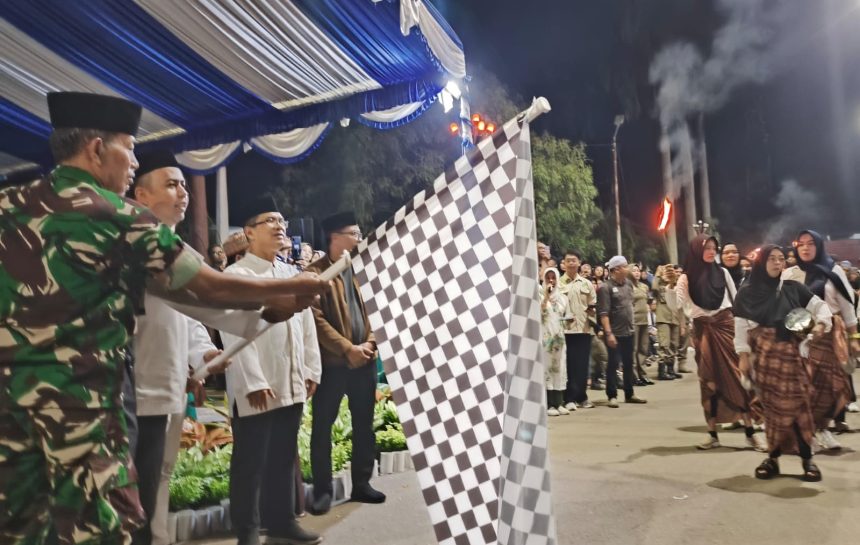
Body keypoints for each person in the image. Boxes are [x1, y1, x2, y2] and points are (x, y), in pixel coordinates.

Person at [0, 92, 328, 545]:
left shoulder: (8, 204)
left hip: (10, 414)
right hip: (81, 416)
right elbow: (208, 286)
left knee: (21, 528)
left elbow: (195, 302)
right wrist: (289, 288)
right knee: (101, 529)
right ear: (96, 149)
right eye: (129, 148)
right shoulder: (118, 217)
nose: (133, 161)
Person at [221, 210, 323, 545]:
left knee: (282, 455)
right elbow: (233, 331)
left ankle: (282, 521)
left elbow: (305, 326)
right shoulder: (238, 275)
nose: (280, 227)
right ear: (249, 232)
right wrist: (253, 380)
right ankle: (248, 529)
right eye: (270, 222)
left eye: (282, 222)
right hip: (258, 383)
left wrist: (311, 369)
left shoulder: (292, 272)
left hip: (291, 377)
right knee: (250, 461)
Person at [307, 212, 385, 515]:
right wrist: (346, 348)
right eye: (354, 233)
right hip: (332, 365)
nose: (360, 237)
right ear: (335, 237)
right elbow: (315, 318)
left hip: (364, 361)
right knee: (322, 428)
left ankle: (362, 484)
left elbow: (381, 309)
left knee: (364, 426)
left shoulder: (363, 270)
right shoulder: (316, 273)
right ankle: (323, 491)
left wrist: (369, 344)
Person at [733, 245, 832, 482]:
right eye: (772, 259)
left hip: (792, 356)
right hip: (764, 359)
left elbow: (821, 307)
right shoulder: (746, 293)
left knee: (799, 408)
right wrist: (743, 357)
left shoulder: (793, 289)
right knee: (772, 410)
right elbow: (740, 328)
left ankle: (807, 459)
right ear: (761, 263)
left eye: (780, 259)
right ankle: (773, 458)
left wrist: (821, 325)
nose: (778, 263)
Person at [676, 235, 766, 451]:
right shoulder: (686, 278)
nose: (710, 251)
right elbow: (678, 305)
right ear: (697, 251)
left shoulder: (722, 272)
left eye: (713, 248)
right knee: (709, 382)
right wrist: (670, 287)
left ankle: (750, 433)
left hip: (726, 327)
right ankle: (712, 434)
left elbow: (736, 302)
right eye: (706, 248)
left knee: (738, 378)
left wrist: (745, 328)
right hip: (703, 329)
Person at [788, 230, 857, 448]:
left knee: (831, 386)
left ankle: (823, 428)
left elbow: (847, 307)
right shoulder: (790, 273)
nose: (806, 248)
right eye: (801, 244)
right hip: (800, 335)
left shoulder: (833, 270)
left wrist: (854, 337)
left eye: (811, 244)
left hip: (829, 336)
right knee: (804, 386)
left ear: (819, 246)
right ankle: (808, 432)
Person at [597, 256, 647, 408]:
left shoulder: (628, 285)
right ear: (616, 269)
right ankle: (612, 395)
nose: (628, 269)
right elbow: (603, 313)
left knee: (628, 363)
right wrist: (608, 333)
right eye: (625, 266)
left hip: (629, 331)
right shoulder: (605, 288)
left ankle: (629, 393)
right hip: (614, 333)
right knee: (613, 364)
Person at [559, 250, 597, 410]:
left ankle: (582, 397)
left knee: (582, 365)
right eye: (568, 261)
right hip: (565, 330)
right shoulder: (558, 283)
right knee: (568, 364)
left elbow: (593, 304)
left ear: (579, 263)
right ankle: (569, 398)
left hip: (583, 329)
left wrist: (593, 320)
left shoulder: (586, 283)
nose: (572, 263)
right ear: (564, 264)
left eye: (574, 260)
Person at [541, 268, 569, 415]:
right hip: (545, 339)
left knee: (560, 368)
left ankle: (559, 402)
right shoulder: (539, 296)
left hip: (559, 339)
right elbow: (539, 313)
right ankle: (549, 404)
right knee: (547, 368)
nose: (551, 280)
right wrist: (546, 296)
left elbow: (566, 315)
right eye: (548, 278)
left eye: (553, 278)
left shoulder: (563, 298)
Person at [652, 264, 680, 380]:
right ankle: (661, 371)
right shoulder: (659, 284)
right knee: (664, 344)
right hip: (663, 317)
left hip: (674, 317)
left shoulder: (674, 284)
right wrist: (658, 275)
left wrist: (673, 279)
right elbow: (653, 289)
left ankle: (670, 369)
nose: (667, 272)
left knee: (674, 344)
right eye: (665, 271)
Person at [630, 264, 653, 386]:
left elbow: (648, 302)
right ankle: (634, 376)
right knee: (634, 349)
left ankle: (643, 374)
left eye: (638, 270)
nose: (637, 273)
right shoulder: (627, 286)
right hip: (634, 320)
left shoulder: (644, 286)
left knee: (643, 348)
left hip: (644, 320)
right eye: (633, 271)